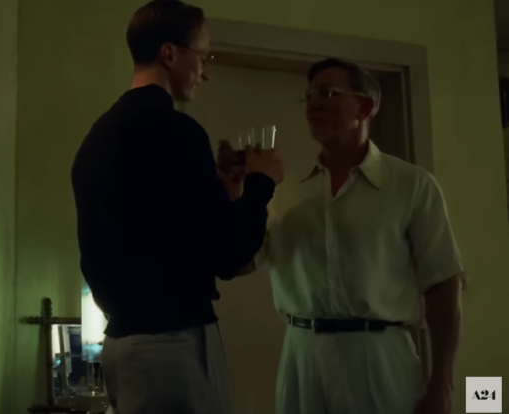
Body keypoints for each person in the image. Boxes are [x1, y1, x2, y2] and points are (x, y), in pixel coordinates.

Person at [71, 1, 284, 413]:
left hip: (121, 346)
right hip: (171, 348)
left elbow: (166, 233)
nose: (206, 72)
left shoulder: (98, 136)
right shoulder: (177, 132)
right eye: (203, 57)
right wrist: (262, 183)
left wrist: (225, 196)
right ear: (169, 53)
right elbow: (227, 255)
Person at [242, 58, 464, 414]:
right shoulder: (285, 193)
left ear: (364, 106)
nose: (313, 104)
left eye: (327, 93)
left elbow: (443, 284)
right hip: (300, 356)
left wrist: (443, 384)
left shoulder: (411, 185)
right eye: (309, 96)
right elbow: (241, 263)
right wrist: (236, 198)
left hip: (378, 356)